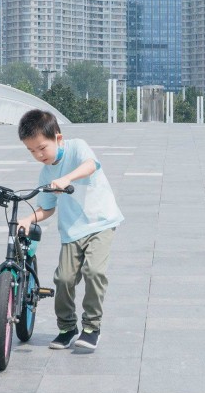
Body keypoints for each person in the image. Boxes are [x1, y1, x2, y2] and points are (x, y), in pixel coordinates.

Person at [16, 109, 124, 351]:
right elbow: (47, 208)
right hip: (72, 230)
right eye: (31, 151)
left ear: (58, 137)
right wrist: (28, 218)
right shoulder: (45, 173)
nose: (38, 155)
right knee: (63, 279)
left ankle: (91, 327)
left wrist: (67, 179)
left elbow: (91, 165)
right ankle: (67, 328)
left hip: (100, 223)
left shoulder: (77, 147)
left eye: (42, 147)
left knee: (94, 272)